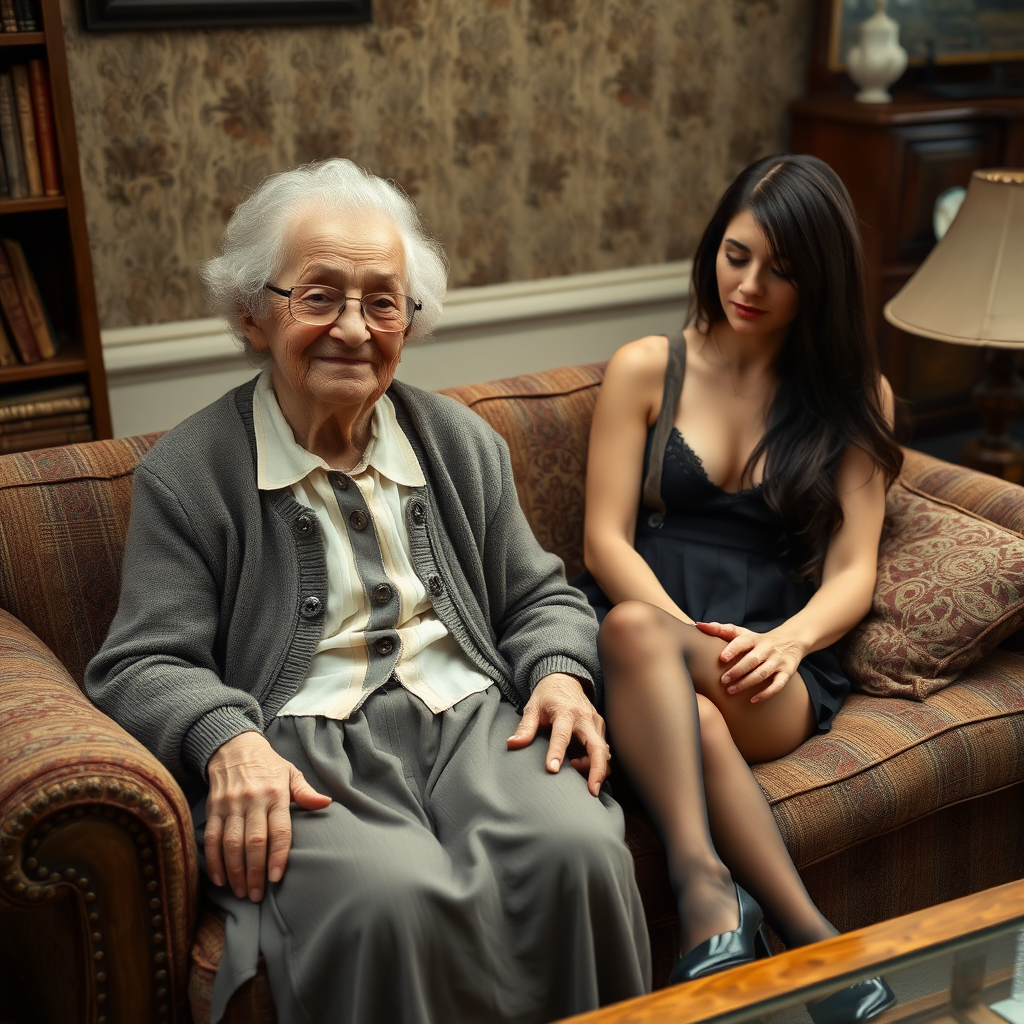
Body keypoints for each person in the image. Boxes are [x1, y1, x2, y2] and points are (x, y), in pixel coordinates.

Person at [86, 159, 650, 1024]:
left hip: (473, 722)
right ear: (252, 312)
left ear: (408, 322)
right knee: (392, 901)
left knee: (579, 850)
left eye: (382, 302)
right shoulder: (191, 473)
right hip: (300, 752)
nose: (354, 327)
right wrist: (226, 740)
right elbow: (142, 660)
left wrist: (559, 674)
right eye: (319, 297)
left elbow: (541, 598)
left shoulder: (461, 444)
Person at [579, 154, 901, 1021]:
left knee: (655, 652)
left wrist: (790, 641)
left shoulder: (855, 399)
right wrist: (678, 635)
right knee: (640, 640)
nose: (749, 284)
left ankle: (711, 906)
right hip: (649, 636)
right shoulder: (647, 366)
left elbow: (854, 569)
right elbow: (604, 539)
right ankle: (821, 952)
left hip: (768, 665)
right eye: (736, 254)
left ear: (821, 281)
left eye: (783, 270)